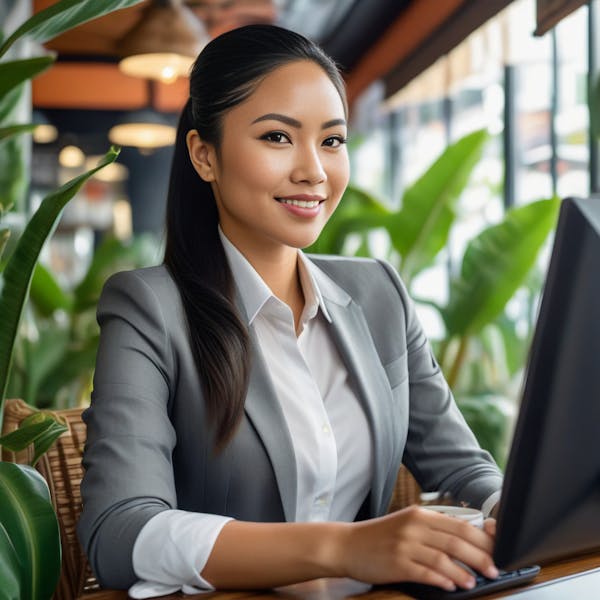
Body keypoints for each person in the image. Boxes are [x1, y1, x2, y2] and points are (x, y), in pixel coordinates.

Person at [78, 23, 503, 599]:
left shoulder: (379, 293)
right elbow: (120, 533)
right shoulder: (149, 308)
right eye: (278, 137)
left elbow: (463, 470)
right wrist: (345, 547)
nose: (315, 171)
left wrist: (513, 508)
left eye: (332, 140)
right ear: (205, 155)